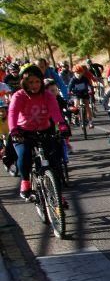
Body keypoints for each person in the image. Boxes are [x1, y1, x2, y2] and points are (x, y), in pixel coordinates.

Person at [7, 65, 68, 200]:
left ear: (41, 81)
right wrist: (14, 130)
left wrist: (62, 125)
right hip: (23, 132)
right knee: (24, 156)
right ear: (24, 83)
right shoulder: (19, 96)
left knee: (55, 162)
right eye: (30, 82)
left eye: (37, 82)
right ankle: (25, 183)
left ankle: (57, 194)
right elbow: (12, 114)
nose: (34, 85)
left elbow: (55, 112)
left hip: (44, 130)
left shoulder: (47, 95)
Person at [68, 65, 94, 129]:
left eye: (80, 73)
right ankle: (76, 117)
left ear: (82, 73)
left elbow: (89, 85)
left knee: (87, 106)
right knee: (76, 105)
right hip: (76, 94)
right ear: (74, 73)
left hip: (85, 93)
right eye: (77, 73)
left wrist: (91, 90)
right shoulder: (73, 80)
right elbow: (69, 87)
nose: (79, 74)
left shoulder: (85, 78)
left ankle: (90, 122)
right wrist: (69, 92)